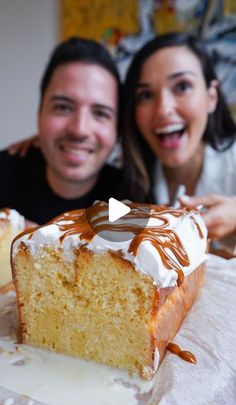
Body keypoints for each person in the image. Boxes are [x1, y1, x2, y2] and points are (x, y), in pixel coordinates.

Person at [123, 32, 236, 250]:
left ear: (211, 97)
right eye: (146, 95)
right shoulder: (126, 182)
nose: (164, 109)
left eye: (182, 86)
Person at [0, 37, 127, 225]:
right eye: (63, 108)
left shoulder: (132, 199)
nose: (79, 130)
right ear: (39, 113)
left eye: (100, 113)